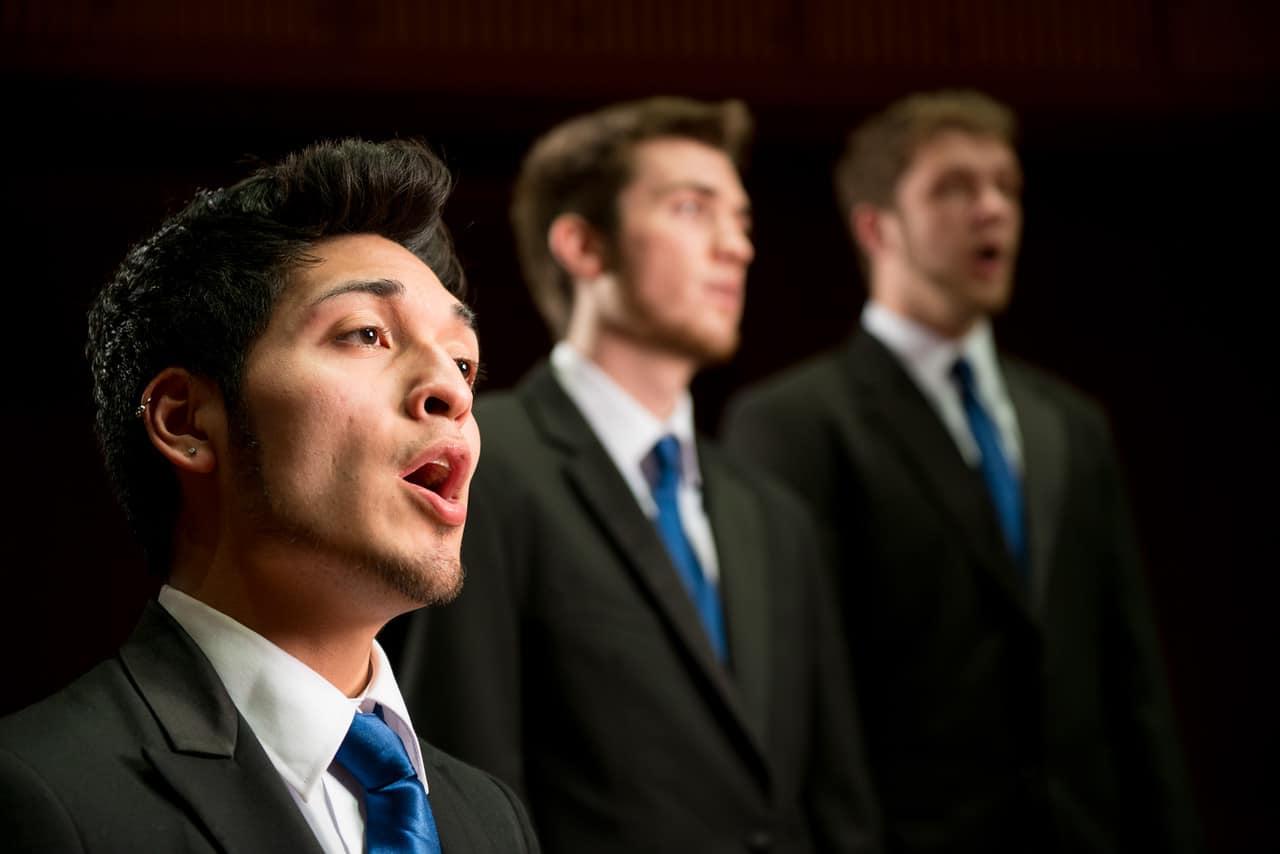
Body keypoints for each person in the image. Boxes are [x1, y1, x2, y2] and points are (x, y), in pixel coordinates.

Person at [0, 139, 539, 853]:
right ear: (186, 421)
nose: (450, 391)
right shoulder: (37, 794)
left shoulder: (491, 820)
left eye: (463, 360)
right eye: (367, 333)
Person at [394, 96, 882, 853]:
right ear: (584, 246)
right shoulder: (484, 464)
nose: (736, 247)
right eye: (693, 209)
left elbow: (837, 805)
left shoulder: (773, 514)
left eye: (743, 221)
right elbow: (468, 770)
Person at [723, 90, 1202, 854]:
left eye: (1007, 186)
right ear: (876, 226)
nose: (994, 210)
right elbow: (798, 694)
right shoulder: (793, 422)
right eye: (955, 187)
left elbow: (1131, 671)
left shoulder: (1069, 421)